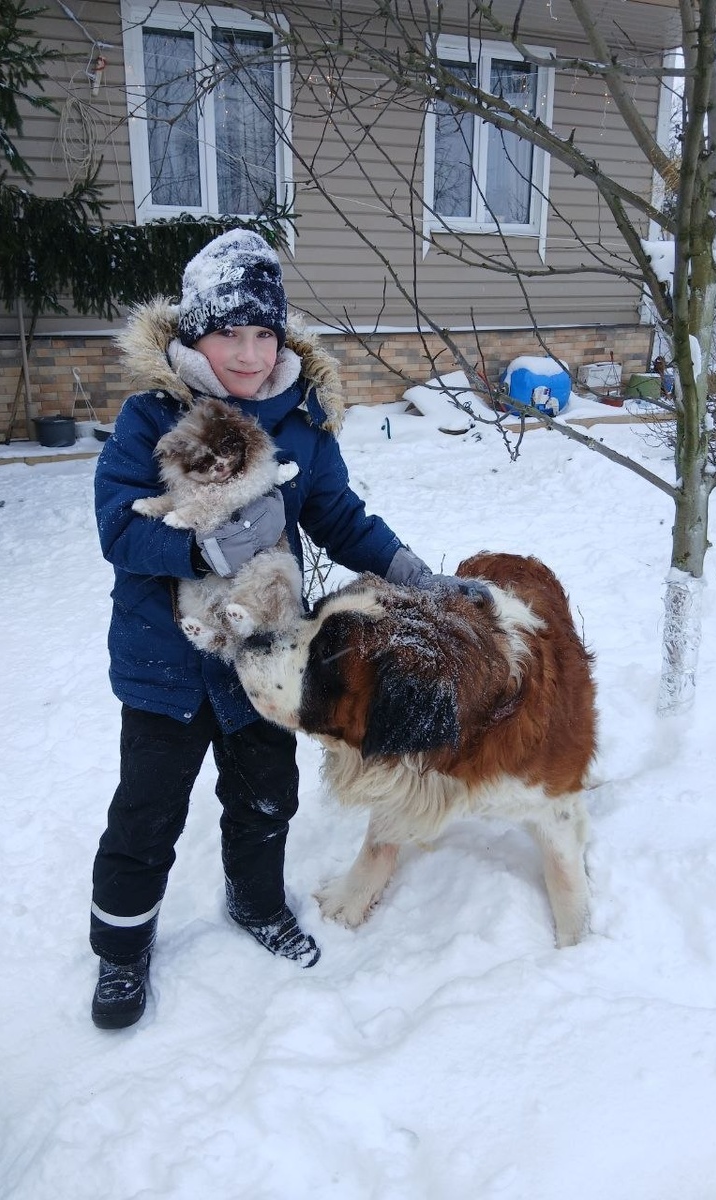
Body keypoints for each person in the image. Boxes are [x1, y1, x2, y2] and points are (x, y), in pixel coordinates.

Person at [89, 228, 465, 1029]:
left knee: (265, 795)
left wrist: (409, 573)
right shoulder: (149, 415)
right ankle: (121, 952)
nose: (251, 354)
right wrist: (194, 545)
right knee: (146, 811)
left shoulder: (301, 418)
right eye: (231, 332)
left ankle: (257, 904)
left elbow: (335, 513)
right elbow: (118, 530)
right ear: (195, 332)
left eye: (264, 333)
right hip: (163, 662)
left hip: (261, 659)